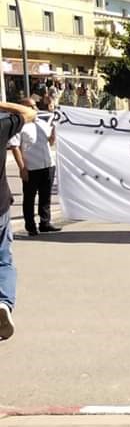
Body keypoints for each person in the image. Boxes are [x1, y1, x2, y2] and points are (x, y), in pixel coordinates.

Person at [0, 99, 42, 341]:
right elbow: (30, 113)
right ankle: (4, 303)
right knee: (3, 259)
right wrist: (2, 104)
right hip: (0, 206)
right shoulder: (3, 125)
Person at [9, 98, 60, 237]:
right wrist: (22, 168)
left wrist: (55, 130)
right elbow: (15, 147)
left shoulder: (42, 123)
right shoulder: (19, 126)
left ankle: (45, 223)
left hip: (48, 165)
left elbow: (50, 141)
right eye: (30, 106)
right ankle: (30, 226)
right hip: (31, 167)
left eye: (35, 105)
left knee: (45, 196)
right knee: (30, 198)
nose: (34, 108)